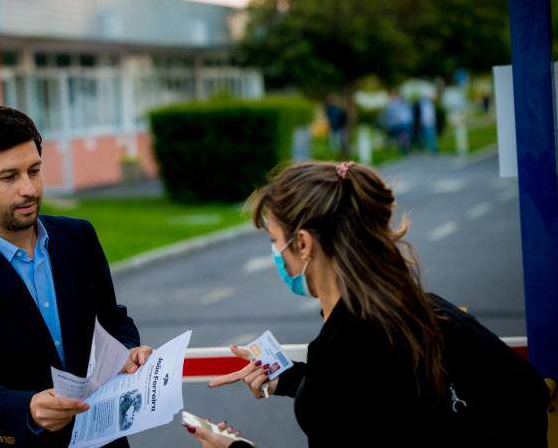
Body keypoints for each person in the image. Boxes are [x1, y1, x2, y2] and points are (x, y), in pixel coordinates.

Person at [184, 160, 549, 448]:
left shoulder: (344, 350)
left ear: (304, 244)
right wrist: (292, 379)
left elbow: (351, 390)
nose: (275, 253)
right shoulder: (420, 310)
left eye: (275, 239)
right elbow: (528, 393)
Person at [0, 105, 152, 447]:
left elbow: (113, 320)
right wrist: (27, 408)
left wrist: (128, 352)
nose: (29, 188)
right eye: (9, 177)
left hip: (105, 439)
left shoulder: (78, 238)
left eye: (34, 170)